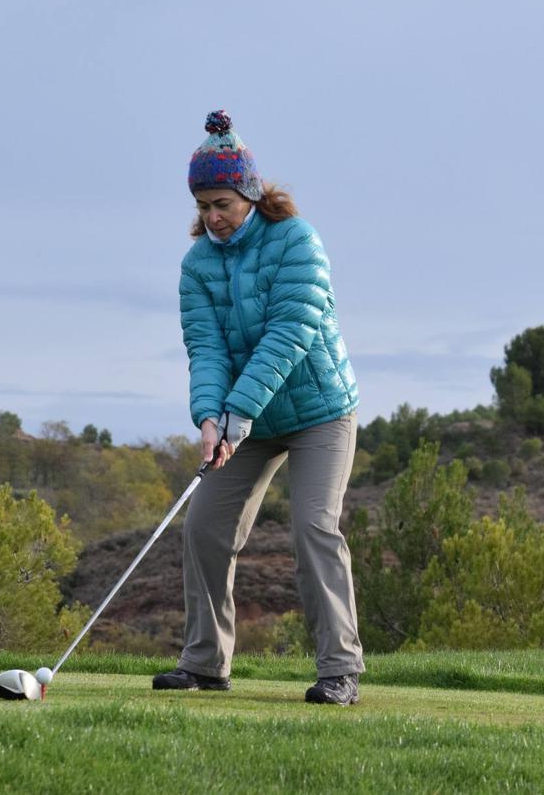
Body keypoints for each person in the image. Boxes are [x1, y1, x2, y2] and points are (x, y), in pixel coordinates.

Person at [151, 109, 365, 706]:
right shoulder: (197, 265)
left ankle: (339, 670)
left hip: (320, 410)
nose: (212, 217)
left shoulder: (297, 240)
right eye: (203, 206)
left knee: (312, 527)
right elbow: (207, 347)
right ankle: (205, 663)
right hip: (249, 421)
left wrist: (237, 412)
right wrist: (210, 418)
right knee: (205, 526)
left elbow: (289, 333)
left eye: (221, 203)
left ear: (249, 193)